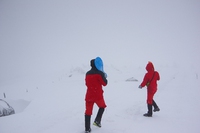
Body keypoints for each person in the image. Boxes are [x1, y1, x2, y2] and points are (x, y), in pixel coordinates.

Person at [84, 59, 108, 133]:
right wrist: (104, 76)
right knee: (102, 107)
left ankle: (87, 129)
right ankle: (97, 121)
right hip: (98, 96)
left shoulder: (87, 73)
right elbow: (105, 83)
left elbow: (86, 83)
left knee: (88, 112)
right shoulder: (100, 73)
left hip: (89, 95)